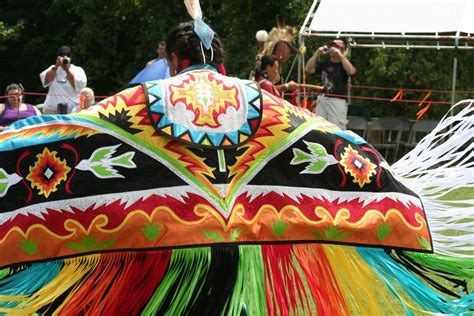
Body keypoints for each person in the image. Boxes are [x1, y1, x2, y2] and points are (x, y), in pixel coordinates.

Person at [0, 4, 472, 315]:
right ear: (221, 63)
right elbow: (329, 139)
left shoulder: (139, 102)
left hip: (164, 256)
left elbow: (86, 131)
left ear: (176, 62)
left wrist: (18, 136)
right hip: (254, 253)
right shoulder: (267, 105)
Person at [305, 39, 356, 130]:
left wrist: (341, 55)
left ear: (342, 50)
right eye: (332, 46)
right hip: (323, 99)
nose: (333, 49)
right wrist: (317, 54)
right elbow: (308, 69)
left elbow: (351, 71)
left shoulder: (343, 64)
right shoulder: (324, 63)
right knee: (319, 127)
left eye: (336, 47)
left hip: (337, 100)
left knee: (337, 128)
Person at [39, 45, 87, 114]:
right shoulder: (53, 68)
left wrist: (67, 70)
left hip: (72, 111)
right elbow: (45, 81)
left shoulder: (78, 70)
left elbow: (80, 87)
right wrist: (56, 66)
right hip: (51, 110)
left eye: (66, 57)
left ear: (70, 58)